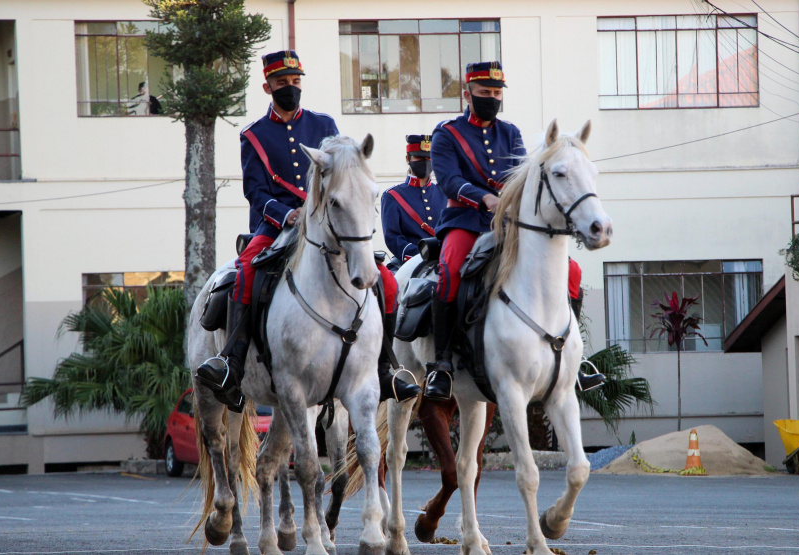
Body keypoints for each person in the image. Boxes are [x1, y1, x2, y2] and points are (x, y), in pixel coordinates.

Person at [195, 50, 419, 411]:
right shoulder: (254, 135)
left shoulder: (324, 125)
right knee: (246, 271)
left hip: (327, 225)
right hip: (276, 227)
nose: (290, 88)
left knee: (388, 282)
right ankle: (232, 362)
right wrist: (286, 215)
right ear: (267, 87)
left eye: (295, 81)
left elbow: (343, 176)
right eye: (282, 82)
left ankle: (385, 366)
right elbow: (255, 191)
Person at [424, 61, 605, 400]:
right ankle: (442, 364)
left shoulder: (510, 133)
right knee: (449, 270)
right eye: (485, 92)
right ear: (468, 94)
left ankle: (573, 359)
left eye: (496, 93)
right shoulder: (447, 134)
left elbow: (523, 178)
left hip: (509, 223)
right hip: (465, 220)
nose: (492, 98)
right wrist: (484, 198)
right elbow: (448, 180)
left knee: (572, 272)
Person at [381, 134, 447, 270]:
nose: (425, 162)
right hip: (409, 262)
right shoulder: (392, 195)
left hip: (444, 258)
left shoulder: (445, 193)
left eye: (429, 158)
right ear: (408, 159)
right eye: (419, 158)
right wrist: (420, 254)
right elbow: (393, 237)